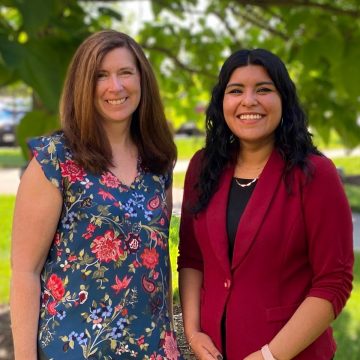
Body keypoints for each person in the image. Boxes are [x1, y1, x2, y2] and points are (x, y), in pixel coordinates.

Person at [10, 30, 183, 360]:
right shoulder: (55, 160)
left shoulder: (159, 162)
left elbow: (158, 263)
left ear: (142, 80)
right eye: (100, 75)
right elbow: (25, 272)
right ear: (82, 86)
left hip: (153, 351)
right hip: (74, 350)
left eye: (125, 73)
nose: (115, 87)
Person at [178, 48, 354, 360]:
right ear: (222, 103)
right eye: (236, 91)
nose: (249, 101)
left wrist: (269, 356)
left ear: (283, 100)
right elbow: (192, 259)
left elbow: (333, 282)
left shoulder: (314, 175)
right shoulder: (202, 167)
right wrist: (193, 332)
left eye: (263, 89)